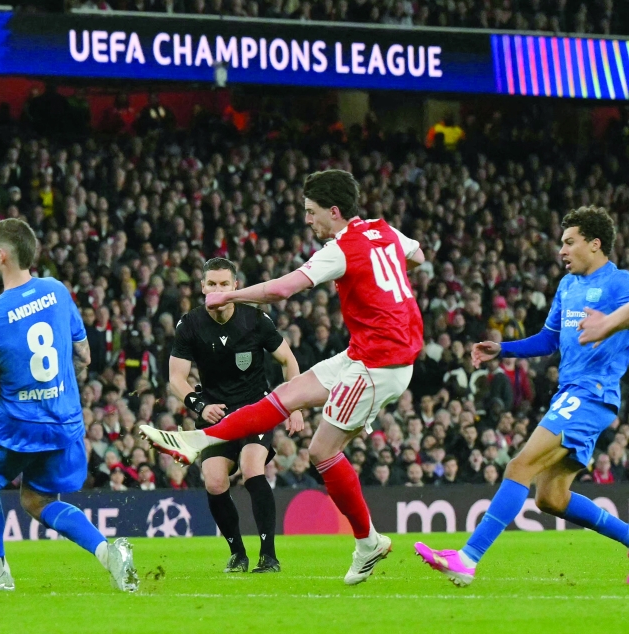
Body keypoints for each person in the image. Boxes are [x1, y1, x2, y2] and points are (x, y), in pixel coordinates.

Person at [141, 169, 425, 585]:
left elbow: (282, 290)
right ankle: (196, 439)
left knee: (321, 451)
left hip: (379, 364)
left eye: (311, 213)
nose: (307, 220)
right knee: (285, 395)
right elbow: (416, 256)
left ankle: (368, 542)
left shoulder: (341, 247)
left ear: (333, 211)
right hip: (365, 350)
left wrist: (231, 295)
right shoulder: (384, 231)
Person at [417, 206, 629, 586]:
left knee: (519, 466)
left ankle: (468, 558)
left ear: (595, 245)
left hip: (592, 392)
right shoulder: (568, 287)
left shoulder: (618, 283)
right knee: (552, 497)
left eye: (569, 242)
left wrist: (610, 323)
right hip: (572, 393)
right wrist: (505, 349)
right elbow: (549, 340)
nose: (561, 250)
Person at [0, 218, 137, 592]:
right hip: (65, 419)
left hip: (17, 423)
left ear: (3, 254)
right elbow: (84, 355)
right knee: (36, 499)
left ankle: (0, 575)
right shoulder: (58, 292)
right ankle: (108, 554)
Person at [168, 257, 300, 573]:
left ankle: (269, 556)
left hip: (255, 411)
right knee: (214, 482)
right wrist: (200, 406)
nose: (217, 289)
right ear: (202, 287)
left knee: (251, 468)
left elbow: (288, 361)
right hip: (216, 416)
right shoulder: (190, 324)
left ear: (235, 286)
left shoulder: (255, 319)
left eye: (224, 284)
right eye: (211, 284)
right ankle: (238, 554)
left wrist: (293, 406)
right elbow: (176, 377)